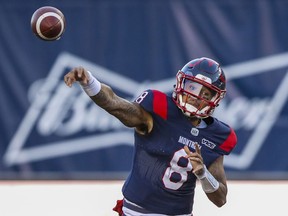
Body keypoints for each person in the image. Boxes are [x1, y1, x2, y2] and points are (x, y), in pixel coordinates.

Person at [64, 57, 237, 216]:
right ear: (181, 83)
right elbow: (115, 104)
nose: (195, 96)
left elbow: (220, 199)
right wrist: (90, 82)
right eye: (192, 87)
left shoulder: (218, 136)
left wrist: (203, 174)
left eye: (205, 94)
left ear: (215, 98)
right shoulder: (158, 109)